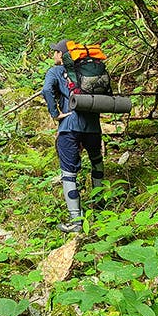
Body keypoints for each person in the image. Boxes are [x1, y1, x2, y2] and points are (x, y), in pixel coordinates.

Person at [42, 40, 104, 233]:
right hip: (93, 127)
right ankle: (101, 211)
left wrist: (55, 114)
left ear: (62, 55)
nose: (54, 56)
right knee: (97, 164)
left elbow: (46, 90)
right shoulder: (91, 70)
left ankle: (76, 220)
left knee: (69, 173)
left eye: (56, 53)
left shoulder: (56, 72)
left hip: (69, 127)